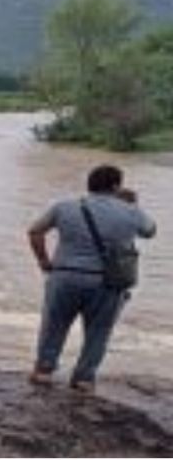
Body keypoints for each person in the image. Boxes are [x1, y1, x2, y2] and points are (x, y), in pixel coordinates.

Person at [28, 165, 157, 393]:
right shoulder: (130, 211)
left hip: (65, 276)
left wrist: (44, 261)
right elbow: (149, 231)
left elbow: (35, 231)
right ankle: (84, 379)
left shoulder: (64, 206)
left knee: (54, 325)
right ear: (116, 186)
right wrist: (132, 205)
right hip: (107, 282)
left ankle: (44, 371)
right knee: (98, 331)